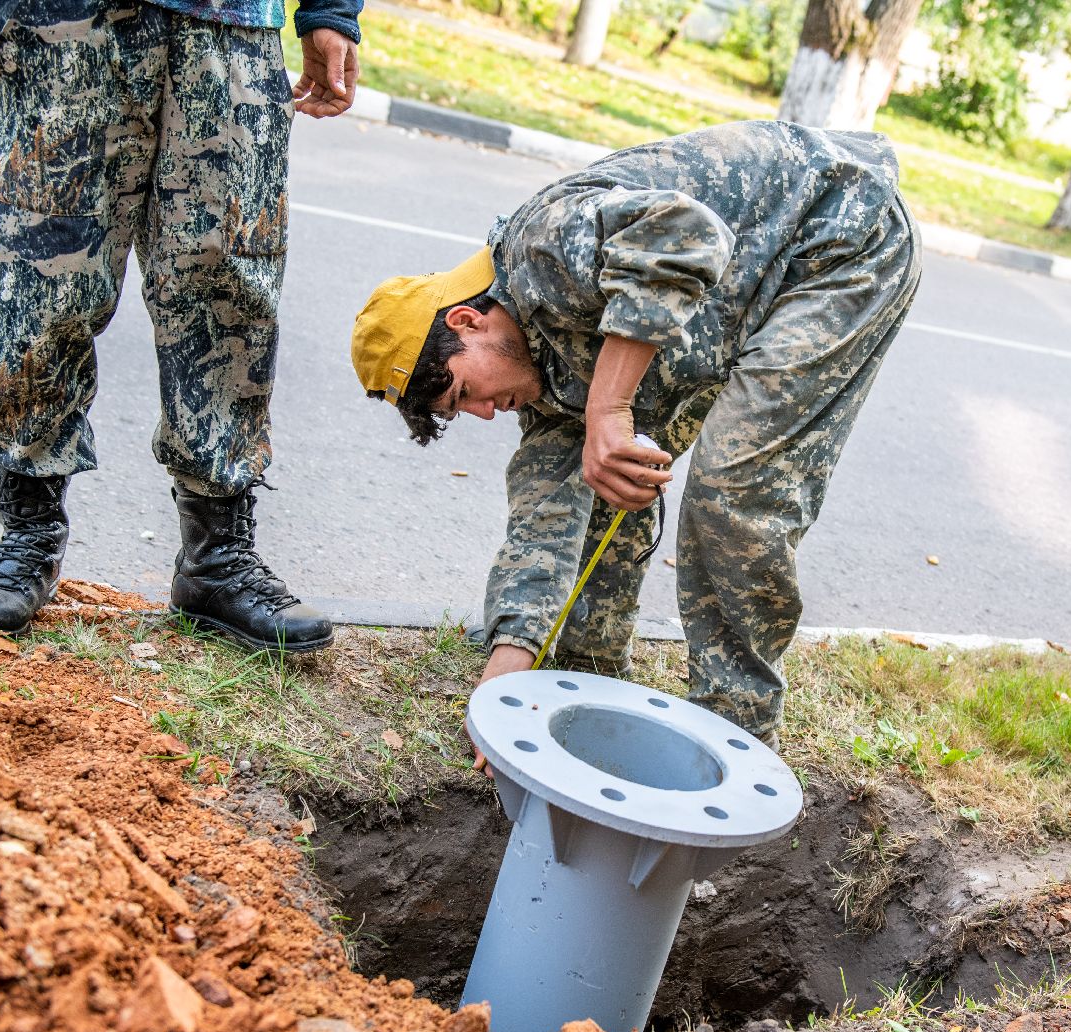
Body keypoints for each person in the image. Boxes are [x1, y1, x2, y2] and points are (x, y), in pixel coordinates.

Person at [351, 121, 922, 745]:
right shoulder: (540, 380)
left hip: (837, 239)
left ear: (467, 320)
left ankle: (736, 741)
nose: (486, 414)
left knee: (732, 491)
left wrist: (608, 408)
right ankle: (584, 687)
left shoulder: (541, 250)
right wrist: (505, 675)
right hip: (745, 291)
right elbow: (540, 528)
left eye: (463, 393)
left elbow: (685, 232)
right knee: (608, 477)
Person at [0, 0, 361, 651]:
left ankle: (216, 559)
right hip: (61, 19)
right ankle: (27, 532)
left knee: (226, 287)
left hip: (227, 23)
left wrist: (332, 10)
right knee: (44, 273)